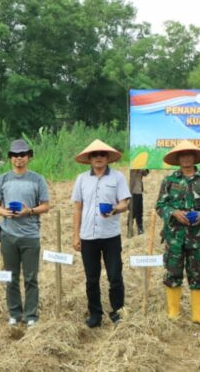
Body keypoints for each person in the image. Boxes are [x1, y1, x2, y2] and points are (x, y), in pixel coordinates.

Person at [156, 141, 200, 325]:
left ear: (194, 157)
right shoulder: (169, 180)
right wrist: (174, 213)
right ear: (178, 159)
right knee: (173, 272)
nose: (185, 158)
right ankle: (173, 312)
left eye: (188, 155)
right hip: (174, 237)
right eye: (182, 155)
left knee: (197, 272)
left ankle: (198, 314)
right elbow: (160, 205)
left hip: (197, 237)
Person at [71, 139, 132, 328]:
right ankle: (95, 313)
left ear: (107, 158)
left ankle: (117, 310)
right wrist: (75, 235)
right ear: (89, 159)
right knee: (91, 278)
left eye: (102, 154)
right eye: (95, 155)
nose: (98, 158)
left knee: (115, 276)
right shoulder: (81, 179)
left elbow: (125, 203)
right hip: (88, 236)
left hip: (111, 236)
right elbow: (77, 208)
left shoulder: (117, 177)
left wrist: (115, 209)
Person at [0, 139, 50, 327]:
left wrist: (29, 211)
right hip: (8, 234)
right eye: (15, 155)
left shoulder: (37, 179)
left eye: (22, 155)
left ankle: (31, 314)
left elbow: (45, 205)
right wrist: (4, 213)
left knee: (31, 277)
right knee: (11, 276)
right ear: (10, 158)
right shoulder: (3, 179)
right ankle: (15, 313)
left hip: (30, 235)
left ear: (29, 157)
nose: (19, 158)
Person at [129, 169, 149, 236]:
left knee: (140, 211)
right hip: (133, 192)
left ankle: (140, 228)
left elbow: (146, 173)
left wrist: (145, 167)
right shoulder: (133, 169)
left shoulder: (141, 168)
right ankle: (129, 227)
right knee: (133, 211)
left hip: (139, 192)